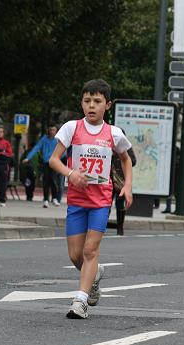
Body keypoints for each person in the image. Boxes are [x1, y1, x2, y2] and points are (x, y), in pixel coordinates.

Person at [49, 79, 133, 319]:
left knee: (90, 250)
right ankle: (94, 275)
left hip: (100, 201)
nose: (91, 106)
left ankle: (80, 301)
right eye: (87, 101)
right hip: (77, 200)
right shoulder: (71, 128)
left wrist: (127, 186)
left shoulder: (114, 133)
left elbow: (126, 160)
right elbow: (54, 159)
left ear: (108, 105)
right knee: (75, 255)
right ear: (82, 103)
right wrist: (71, 173)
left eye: (97, 101)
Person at [23, 125, 62, 207]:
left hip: (54, 163)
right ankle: (46, 199)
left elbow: (63, 150)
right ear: (48, 131)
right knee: (46, 181)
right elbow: (36, 148)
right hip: (46, 163)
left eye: (54, 130)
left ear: (56, 131)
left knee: (53, 181)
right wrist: (28, 158)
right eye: (51, 130)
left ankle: (54, 198)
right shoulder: (44, 139)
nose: (52, 132)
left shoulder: (58, 140)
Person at [110, 147, 136, 235]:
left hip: (120, 180)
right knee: (105, 204)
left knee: (120, 204)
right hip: (107, 180)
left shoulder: (124, 144)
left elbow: (133, 160)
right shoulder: (106, 142)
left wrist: (121, 156)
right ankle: (101, 226)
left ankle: (120, 227)